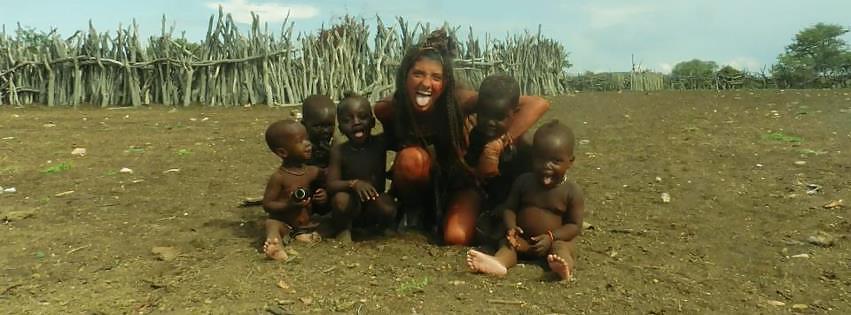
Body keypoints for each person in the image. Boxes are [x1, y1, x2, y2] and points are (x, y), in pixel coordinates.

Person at [374, 29, 550, 245]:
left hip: (460, 182)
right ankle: (414, 213)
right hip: (421, 186)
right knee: (411, 159)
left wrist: (497, 145)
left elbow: (536, 103)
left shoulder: (459, 100)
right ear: (405, 76)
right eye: (418, 74)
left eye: (436, 77)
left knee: (456, 237)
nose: (426, 84)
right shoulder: (390, 110)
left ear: (446, 82)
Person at [466, 121, 584, 280]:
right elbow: (510, 209)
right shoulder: (524, 182)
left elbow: (574, 226)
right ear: (532, 157)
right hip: (523, 241)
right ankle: (500, 263)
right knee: (507, 244)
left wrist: (551, 237)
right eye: (540, 159)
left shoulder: (571, 191)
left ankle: (562, 268)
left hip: (552, 242)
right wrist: (511, 228)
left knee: (563, 247)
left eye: (556, 161)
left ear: (570, 161)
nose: (546, 166)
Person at [464, 74, 533, 244]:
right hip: (489, 199)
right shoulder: (476, 135)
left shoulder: (523, 144)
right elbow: (473, 169)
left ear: (515, 114)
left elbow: (528, 184)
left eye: (499, 117)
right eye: (484, 115)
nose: (490, 123)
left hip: (516, 201)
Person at [326, 93, 397, 243]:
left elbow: (399, 132)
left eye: (363, 117)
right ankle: (343, 228)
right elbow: (331, 184)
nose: (356, 122)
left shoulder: (380, 143)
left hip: (374, 199)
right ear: (340, 128)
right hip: (352, 202)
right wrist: (354, 184)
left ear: (372, 122)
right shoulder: (339, 151)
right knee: (340, 200)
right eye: (347, 120)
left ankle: (380, 227)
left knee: (389, 207)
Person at [261, 120, 328, 261]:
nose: (308, 144)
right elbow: (267, 204)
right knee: (271, 224)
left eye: (307, 138)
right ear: (282, 152)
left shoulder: (312, 172)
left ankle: (302, 235)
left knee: (328, 222)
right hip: (286, 224)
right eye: (300, 141)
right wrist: (288, 205)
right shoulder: (279, 177)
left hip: (308, 224)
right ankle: (275, 245)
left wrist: (324, 195)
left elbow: (330, 183)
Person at [300, 94, 336, 215]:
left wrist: (333, 155)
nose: (325, 130)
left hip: (329, 192)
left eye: (329, 125)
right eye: (317, 126)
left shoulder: (337, 146)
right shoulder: (300, 147)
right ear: (304, 124)